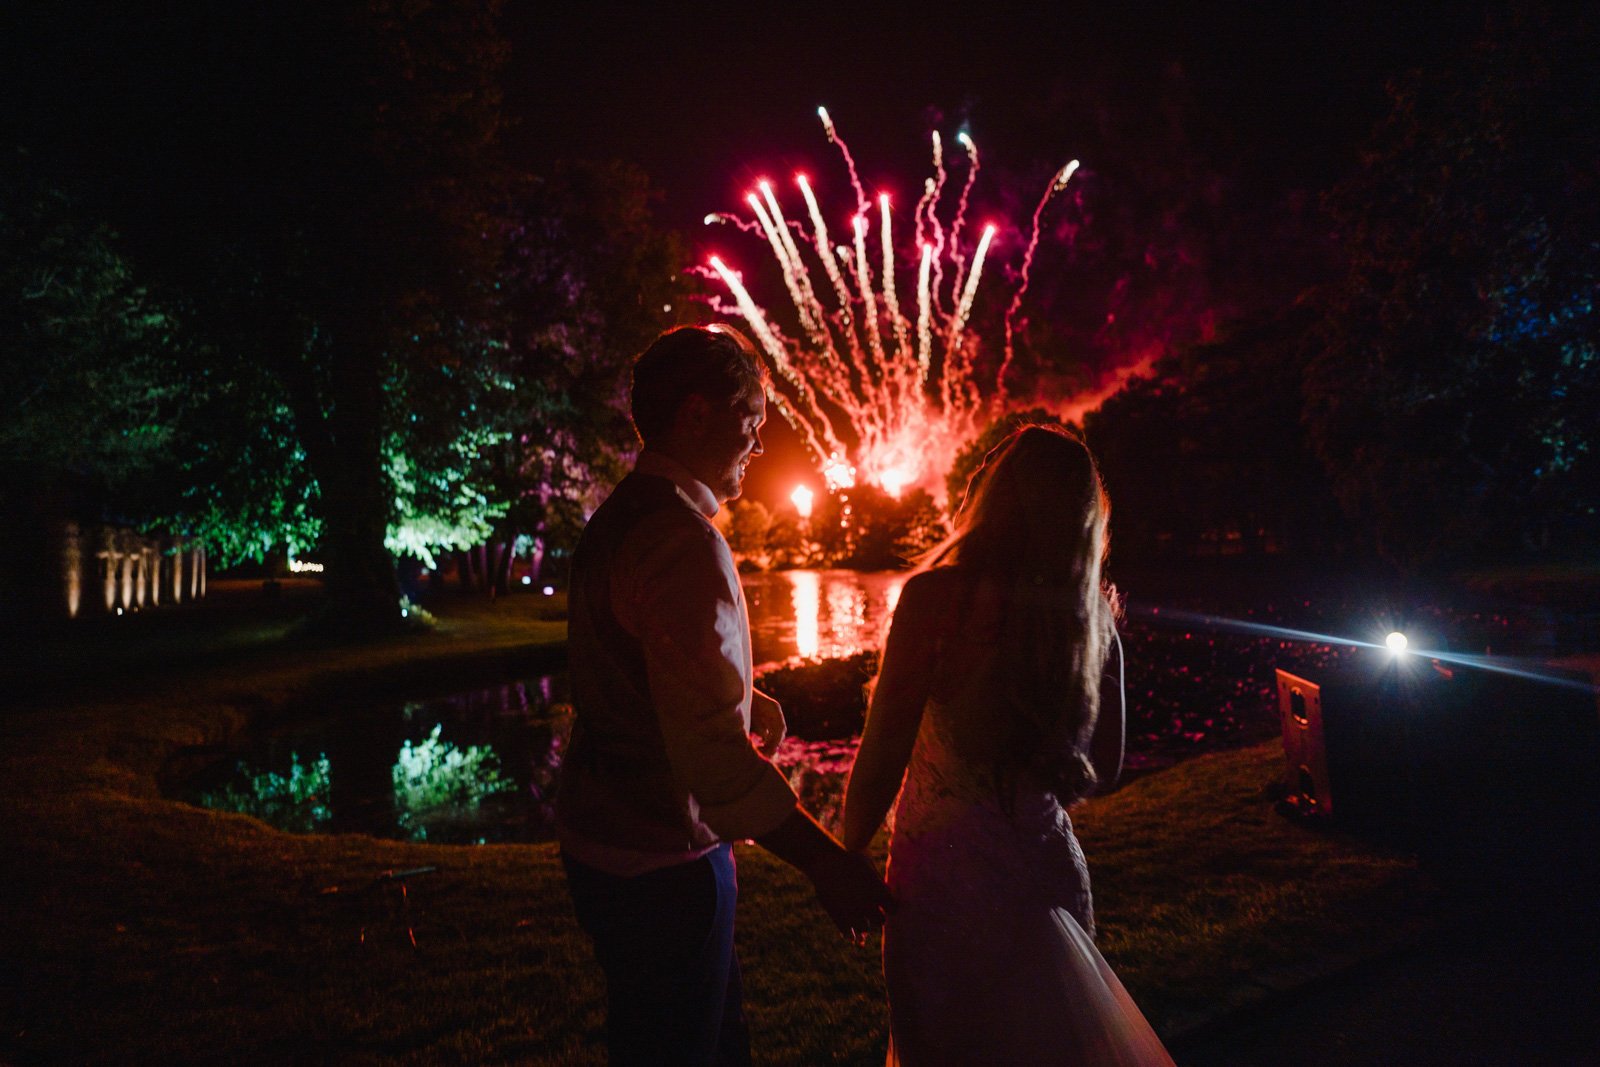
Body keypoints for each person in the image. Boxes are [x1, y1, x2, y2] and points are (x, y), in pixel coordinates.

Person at [557, 323, 892, 1066]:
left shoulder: (617, 519)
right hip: (661, 862)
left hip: (601, 844)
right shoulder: (680, 538)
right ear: (699, 414)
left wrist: (746, 696)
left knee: (690, 1039)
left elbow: (635, 666)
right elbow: (708, 754)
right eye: (751, 422)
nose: (759, 444)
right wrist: (826, 862)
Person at [842, 424, 1174, 1066]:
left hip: (943, 886)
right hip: (1049, 870)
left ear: (994, 497)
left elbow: (881, 756)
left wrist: (845, 853)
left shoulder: (936, 600)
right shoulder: (1091, 618)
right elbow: (1103, 766)